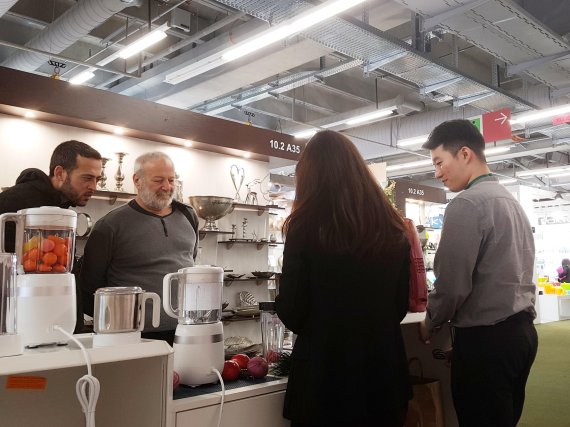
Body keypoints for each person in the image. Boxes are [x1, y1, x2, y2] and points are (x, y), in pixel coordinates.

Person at [275, 130, 412, 427]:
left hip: (325, 381)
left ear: (309, 175)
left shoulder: (304, 227)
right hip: (384, 377)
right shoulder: (393, 228)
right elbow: (400, 306)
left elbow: (292, 312)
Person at [419, 119, 538, 427]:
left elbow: (452, 286)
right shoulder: (511, 202)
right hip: (520, 334)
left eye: (439, 161)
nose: (437, 172)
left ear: (465, 154)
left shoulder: (467, 204)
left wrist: (431, 321)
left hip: (487, 342)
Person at [80, 152, 198, 345]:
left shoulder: (188, 215)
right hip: (133, 336)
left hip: (185, 330)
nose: (167, 187)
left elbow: (189, 261)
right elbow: (89, 288)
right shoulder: (110, 226)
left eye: (171, 180)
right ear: (137, 180)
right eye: (158, 180)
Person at [0, 140, 102, 252]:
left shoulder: (61, 204)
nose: (94, 187)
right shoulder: (12, 202)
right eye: (87, 178)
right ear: (59, 173)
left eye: (97, 179)